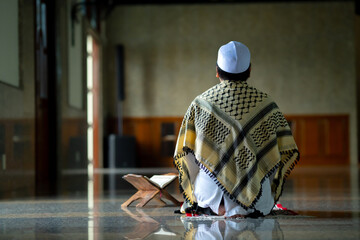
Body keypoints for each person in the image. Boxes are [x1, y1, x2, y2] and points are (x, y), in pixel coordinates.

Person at [173, 41, 299, 218]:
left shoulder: (200, 104)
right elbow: (284, 151)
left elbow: (185, 152)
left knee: (195, 157)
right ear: (249, 71)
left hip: (209, 197)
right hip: (257, 199)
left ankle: (216, 204)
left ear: (217, 71)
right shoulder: (266, 104)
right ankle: (248, 203)